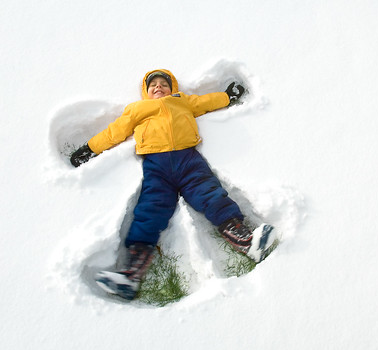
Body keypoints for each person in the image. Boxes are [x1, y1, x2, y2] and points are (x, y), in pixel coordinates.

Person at [70, 69, 276, 300]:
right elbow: (114, 132)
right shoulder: (137, 109)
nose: (159, 87)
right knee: (151, 208)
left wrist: (228, 96)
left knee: (210, 194)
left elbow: (206, 102)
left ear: (173, 88)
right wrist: (90, 149)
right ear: (146, 92)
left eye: (163, 84)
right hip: (156, 165)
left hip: (188, 160)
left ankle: (247, 242)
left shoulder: (182, 102)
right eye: (153, 85)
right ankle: (131, 274)